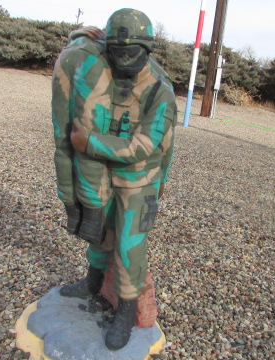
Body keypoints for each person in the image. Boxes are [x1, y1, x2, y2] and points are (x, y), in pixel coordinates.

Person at [60, 8, 177, 351]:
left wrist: (90, 143)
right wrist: (81, 33)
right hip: (107, 175)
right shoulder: (105, 72)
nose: (124, 59)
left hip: (140, 181)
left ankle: (125, 311)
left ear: (147, 50)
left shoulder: (160, 91)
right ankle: (94, 282)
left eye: (133, 52)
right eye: (117, 51)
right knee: (101, 233)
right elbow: (78, 55)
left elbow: (142, 146)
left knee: (129, 247)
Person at [52, 26, 114, 245]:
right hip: (91, 66)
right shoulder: (98, 52)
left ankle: (71, 210)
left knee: (62, 140)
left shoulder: (73, 45)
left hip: (66, 60)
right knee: (88, 142)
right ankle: (91, 216)